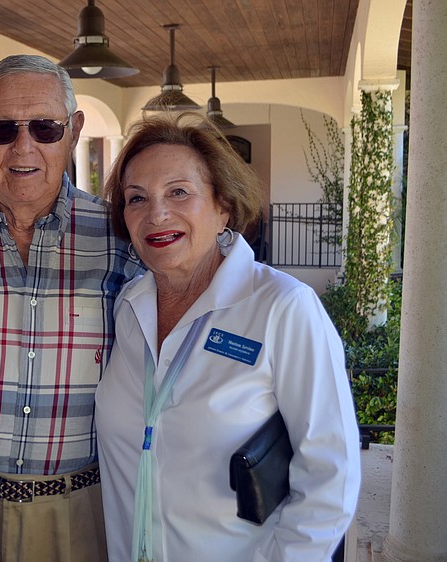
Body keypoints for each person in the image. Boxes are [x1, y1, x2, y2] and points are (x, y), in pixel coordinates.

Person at [97, 113, 361, 561]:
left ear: (223, 206)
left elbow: (330, 477)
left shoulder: (281, 307)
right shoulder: (129, 308)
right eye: (136, 198)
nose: (156, 213)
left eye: (179, 192)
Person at [0, 54, 143, 562]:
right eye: (3, 129)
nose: (23, 146)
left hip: (79, 513)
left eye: (45, 127)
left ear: (73, 131)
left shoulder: (122, 236)